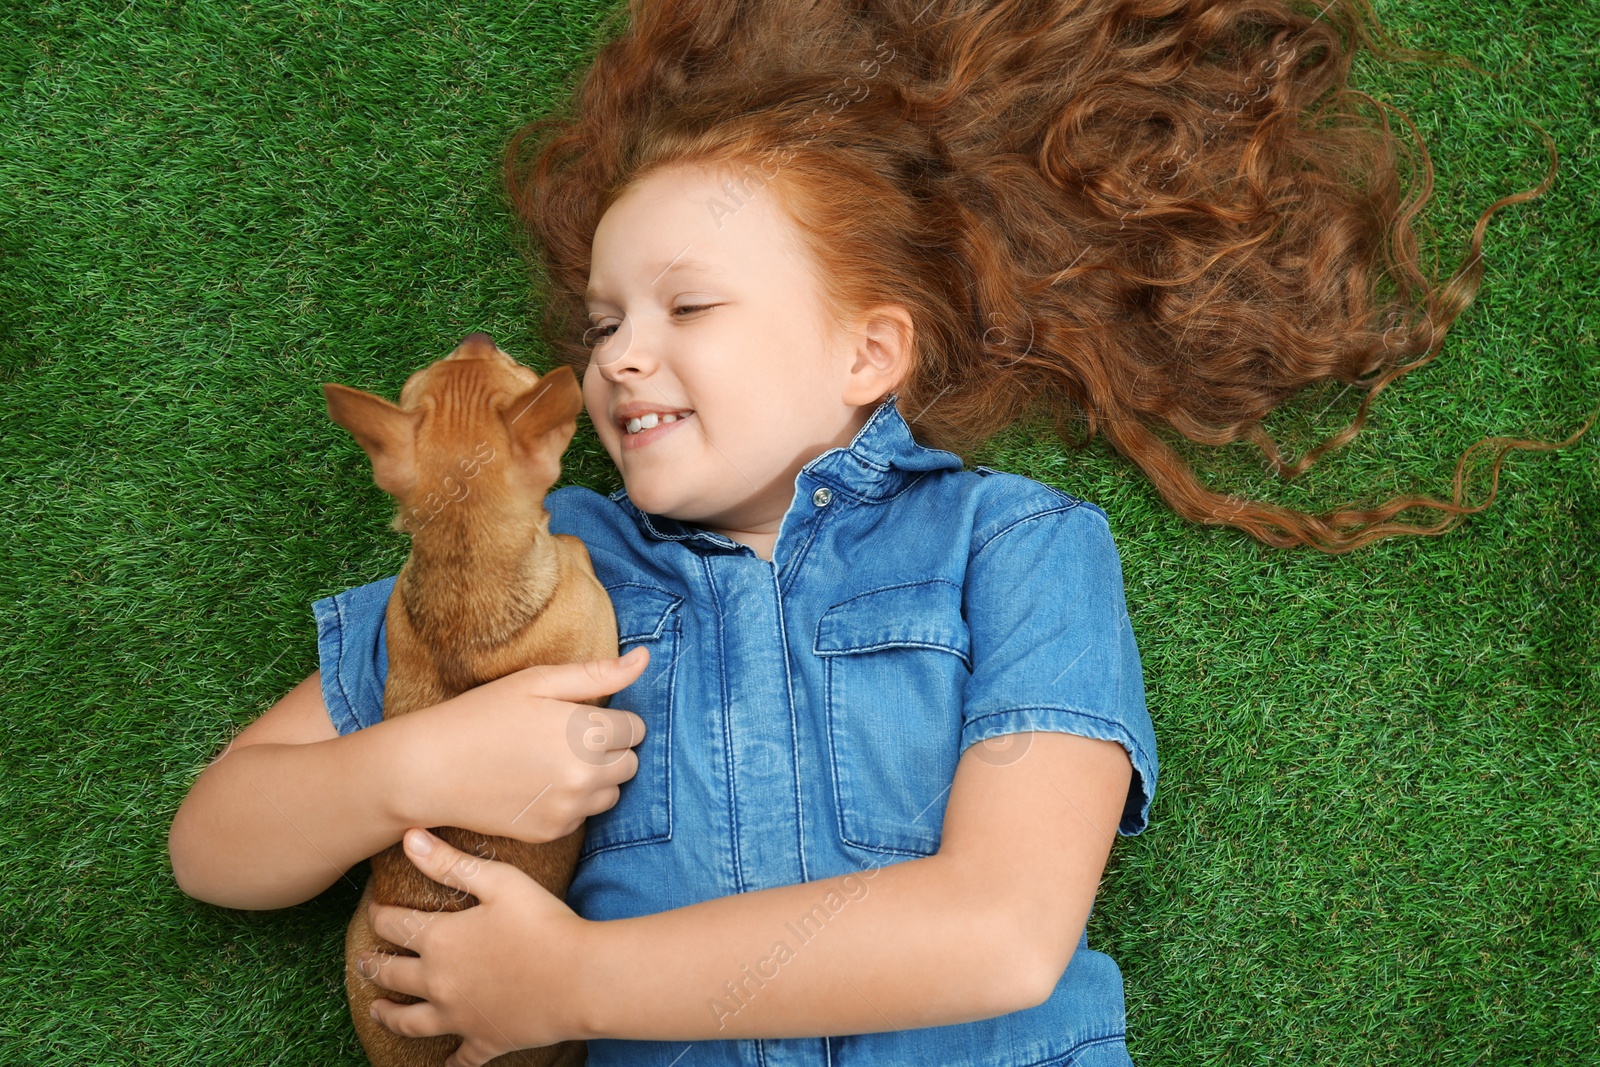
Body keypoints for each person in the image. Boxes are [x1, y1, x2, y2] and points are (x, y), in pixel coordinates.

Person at [168, 1, 1588, 1065]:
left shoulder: (1016, 547)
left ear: (868, 354)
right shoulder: (550, 568)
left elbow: (1002, 931)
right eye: (601, 324)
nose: (615, 357)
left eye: (689, 308)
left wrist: (577, 986)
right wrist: (422, 759)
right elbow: (214, 845)